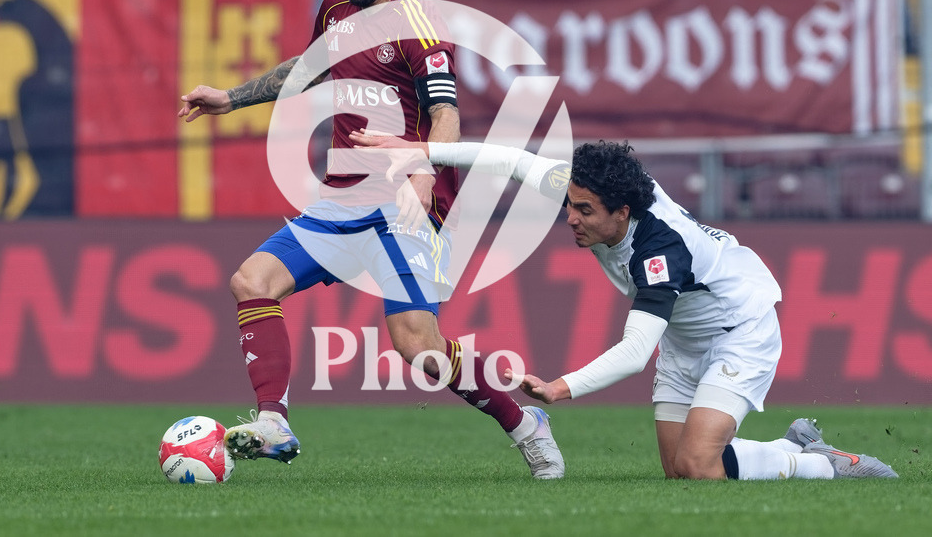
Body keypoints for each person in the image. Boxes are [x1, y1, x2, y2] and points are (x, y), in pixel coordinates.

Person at [177, 0, 565, 479]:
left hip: (405, 206)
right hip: (341, 199)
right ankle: (274, 422)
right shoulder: (337, 8)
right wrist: (231, 98)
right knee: (250, 281)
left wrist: (424, 177)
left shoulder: (421, 28)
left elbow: (445, 114)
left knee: (419, 347)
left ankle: (526, 425)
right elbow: (309, 69)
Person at [350, 132, 900, 480]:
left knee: (699, 467)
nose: (571, 218)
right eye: (570, 205)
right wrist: (421, 153)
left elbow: (637, 350)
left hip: (740, 328)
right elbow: (509, 160)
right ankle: (791, 440)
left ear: (622, 212)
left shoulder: (659, 251)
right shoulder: (597, 195)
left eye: (584, 211)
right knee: (677, 470)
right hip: (685, 340)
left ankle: (822, 465)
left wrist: (560, 388)